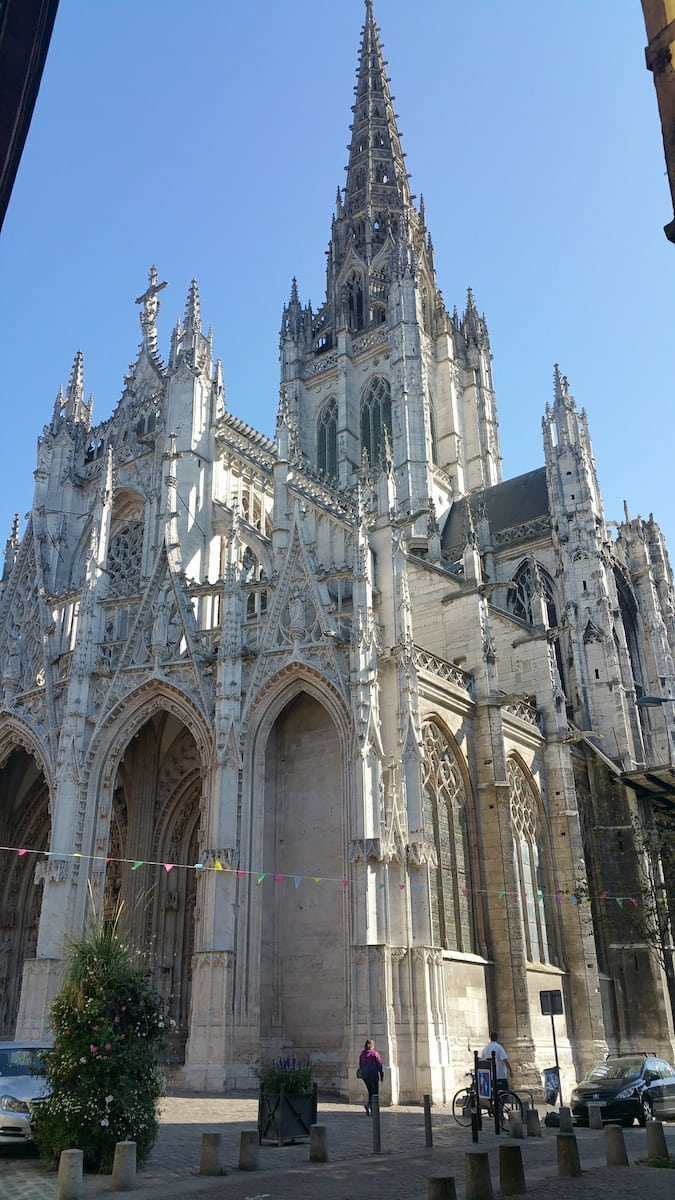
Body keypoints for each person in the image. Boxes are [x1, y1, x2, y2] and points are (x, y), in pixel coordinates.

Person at [358, 1038, 384, 1115]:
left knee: (370, 1091)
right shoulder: (374, 1053)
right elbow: (379, 1064)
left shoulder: (362, 1054)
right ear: (372, 1046)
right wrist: (381, 1074)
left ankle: (369, 1105)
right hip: (373, 1075)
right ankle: (372, 1108)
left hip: (365, 1076)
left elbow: (360, 1064)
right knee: (375, 1092)